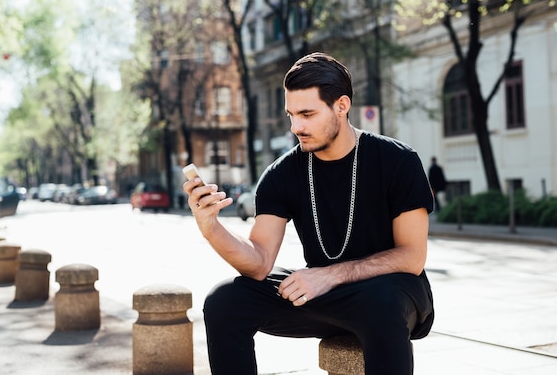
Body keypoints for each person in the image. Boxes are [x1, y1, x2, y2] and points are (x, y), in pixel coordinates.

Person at [183, 52, 435, 375]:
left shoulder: (397, 161)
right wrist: (210, 228)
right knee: (225, 300)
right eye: (291, 115)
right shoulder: (281, 174)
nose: (296, 127)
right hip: (324, 295)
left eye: (306, 114)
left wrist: (328, 275)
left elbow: (412, 257)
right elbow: (259, 263)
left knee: (381, 304)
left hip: (392, 292)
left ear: (341, 106)